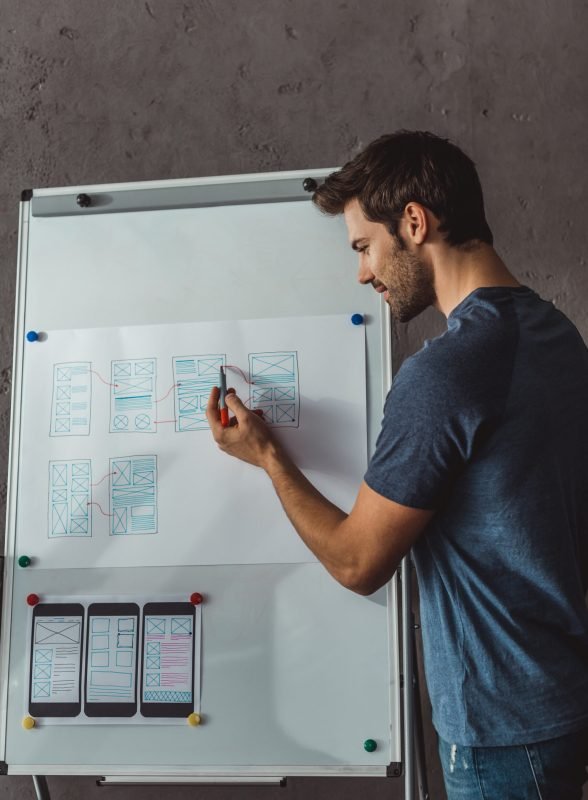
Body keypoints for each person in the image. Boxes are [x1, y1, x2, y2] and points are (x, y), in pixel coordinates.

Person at [206, 130, 588, 799]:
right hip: (561, 700)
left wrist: (268, 456)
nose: (361, 272)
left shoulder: (446, 375)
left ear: (414, 221)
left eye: (363, 246)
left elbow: (359, 562)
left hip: (503, 732)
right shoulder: (556, 333)